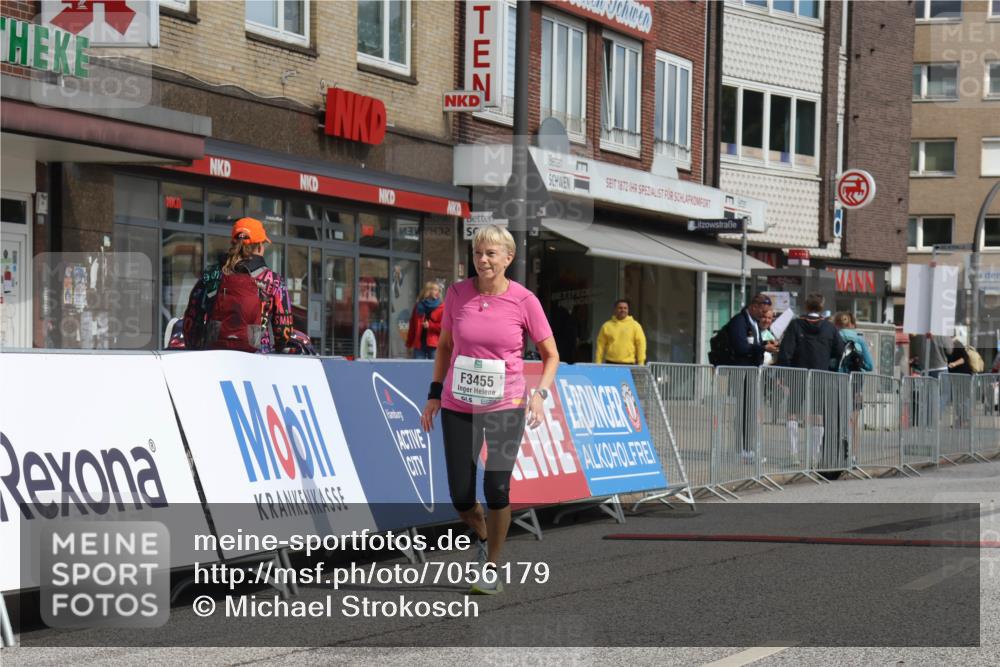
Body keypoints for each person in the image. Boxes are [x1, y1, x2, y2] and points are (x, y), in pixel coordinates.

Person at [420, 225, 559, 596]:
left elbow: (551, 355)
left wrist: (540, 396)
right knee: (462, 496)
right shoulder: (456, 294)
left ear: (508, 258)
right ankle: (482, 534)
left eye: (491, 254)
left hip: (506, 403)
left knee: (496, 487)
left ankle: (492, 566)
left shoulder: (524, 300)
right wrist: (434, 393)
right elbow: (445, 347)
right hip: (458, 403)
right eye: (478, 253)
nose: (482, 260)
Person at [182, 217, 292, 353]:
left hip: (215, 356)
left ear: (233, 242)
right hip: (256, 357)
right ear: (259, 246)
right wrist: (278, 349)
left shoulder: (211, 275)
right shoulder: (274, 281)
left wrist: (196, 348)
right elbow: (283, 330)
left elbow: (191, 319)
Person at [777, 294, 845, 469]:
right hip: (820, 376)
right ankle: (814, 457)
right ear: (822, 307)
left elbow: (785, 351)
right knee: (817, 416)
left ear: (806, 306)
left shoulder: (795, 325)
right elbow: (841, 352)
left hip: (797, 375)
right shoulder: (830, 328)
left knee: (792, 414)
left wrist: (782, 374)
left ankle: (793, 454)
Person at [723, 293, 777, 462]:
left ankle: (748, 448)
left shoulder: (753, 322)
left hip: (752, 372)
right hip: (742, 372)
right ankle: (742, 449)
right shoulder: (740, 321)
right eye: (762, 311)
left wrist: (763, 347)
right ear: (754, 306)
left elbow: (754, 344)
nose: (764, 315)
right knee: (744, 412)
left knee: (750, 412)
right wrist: (763, 348)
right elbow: (741, 346)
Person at [833, 312, 874, 466]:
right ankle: (854, 456)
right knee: (853, 422)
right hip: (856, 385)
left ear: (836, 324)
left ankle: (838, 453)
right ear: (851, 323)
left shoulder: (835, 338)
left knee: (837, 420)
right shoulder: (859, 340)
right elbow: (870, 366)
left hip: (838, 382)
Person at [596, 300, 647, 365]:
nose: (623, 310)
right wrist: (598, 362)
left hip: (628, 364)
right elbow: (600, 345)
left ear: (628, 310)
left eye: (625, 308)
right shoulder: (606, 326)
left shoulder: (635, 325)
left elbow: (641, 344)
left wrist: (641, 362)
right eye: (620, 308)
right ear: (615, 309)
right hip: (610, 363)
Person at [406, 281, 444, 359]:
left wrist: (430, 326)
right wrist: (409, 344)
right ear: (428, 291)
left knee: (434, 369)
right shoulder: (418, 306)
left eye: (438, 290)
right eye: (435, 290)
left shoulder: (442, 307)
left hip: (434, 344)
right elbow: (412, 326)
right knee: (418, 369)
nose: (438, 292)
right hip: (419, 344)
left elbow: (445, 327)